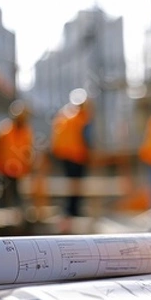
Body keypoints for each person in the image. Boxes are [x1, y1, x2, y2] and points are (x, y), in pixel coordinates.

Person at [50, 88, 93, 232]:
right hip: (76, 155)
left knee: (70, 184)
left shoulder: (63, 114)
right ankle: (73, 210)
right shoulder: (80, 117)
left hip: (64, 155)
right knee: (76, 184)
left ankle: (70, 210)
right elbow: (86, 137)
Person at [0, 99, 33, 209]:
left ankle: (16, 211)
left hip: (17, 169)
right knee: (2, 192)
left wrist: (27, 166)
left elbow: (27, 150)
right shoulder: (5, 130)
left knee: (15, 191)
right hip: (2, 169)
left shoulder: (26, 132)